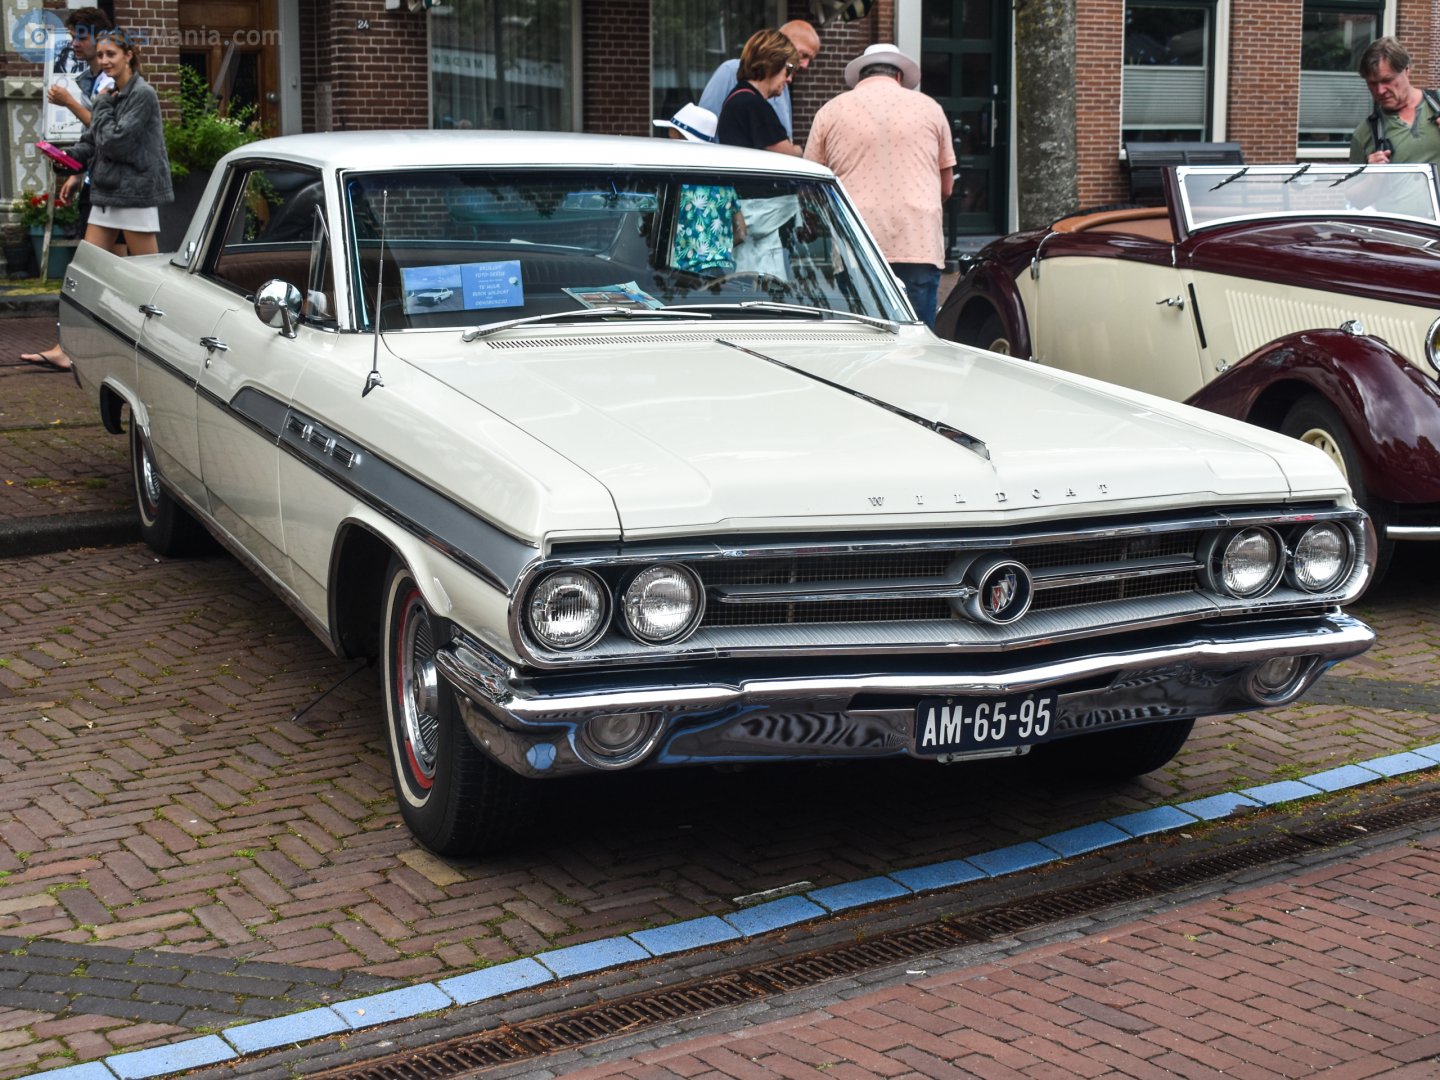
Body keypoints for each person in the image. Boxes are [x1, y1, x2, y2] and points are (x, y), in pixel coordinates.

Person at [805, 43, 955, 328]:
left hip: (854, 236)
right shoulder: (931, 109)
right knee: (917, 333)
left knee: (861, 331)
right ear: (898, 76)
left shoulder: (830, 111)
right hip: (917, 237)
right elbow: (946, 187)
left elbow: (810, 184)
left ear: (862, 76)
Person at [21, 7, 114, 372]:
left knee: (87, 271)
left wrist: (69, 102)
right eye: (73, 37)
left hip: (115, 192)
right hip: (106, 186)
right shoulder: (96, 78)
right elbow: (98, 137)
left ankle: (70, 348)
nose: (74, 44)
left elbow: (106, 133)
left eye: (81, 37)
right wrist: (79, 172)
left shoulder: (109, 81)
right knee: (114, 274)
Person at [60, 30, 173, 259]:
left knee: (146, 271)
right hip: (107, 192)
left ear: (128, 55)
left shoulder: (142, 94)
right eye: (100, 55)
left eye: (111, 54)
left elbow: (115, 142)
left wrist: (101, 104)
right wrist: (65, 157)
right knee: (90, 266)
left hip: (134, 194)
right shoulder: (112, 95)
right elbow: (93, 141)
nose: (104, 61)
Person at [653, 103, 746, 278]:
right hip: (724, 271)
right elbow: (741, 233)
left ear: (682, 139)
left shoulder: (675, 182)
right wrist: (716, 252)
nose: (667, 141)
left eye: (671, 136)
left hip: (687, 275)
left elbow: (653, 229)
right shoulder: (724, 182)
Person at [698, 20, 819, 142]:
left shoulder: (783, 85)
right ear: (782, 44)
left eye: (811, 60)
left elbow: (784, 136)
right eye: (804, 55)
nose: (806, 65)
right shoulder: (730, 71)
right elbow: (702, 126)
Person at [1350, 37, 1440, 165]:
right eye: (1373, 83)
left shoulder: (1437, 103)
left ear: (1406, 70)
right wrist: (1368, 174)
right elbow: (1353, 178)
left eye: (1387, 80)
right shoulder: (1364, 134)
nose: (1380, 90)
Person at [716, 30, 802, 155]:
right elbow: (789, 156)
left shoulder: (737, 97)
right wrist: (799, 150)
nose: (789, 79)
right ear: (773, 63)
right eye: (788, 69)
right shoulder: (754, 106)